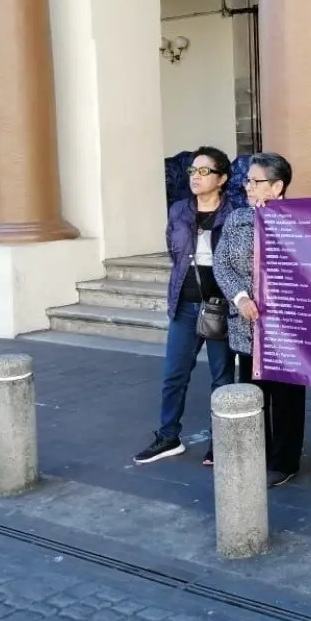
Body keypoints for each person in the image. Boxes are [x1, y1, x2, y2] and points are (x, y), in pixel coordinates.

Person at [135, 147, 237, 467]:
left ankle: (220, 440)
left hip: (220, 305)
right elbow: (175, 252)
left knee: (221, 378)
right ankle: (168, 436)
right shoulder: (179, 210)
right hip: (184, 303)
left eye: (204, 171)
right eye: (193, 171)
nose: (195, 176)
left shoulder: (235, 213)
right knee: (174, 375)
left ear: (221, 178)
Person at [213, 152, 308, 488]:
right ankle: (257, 454)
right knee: (254, 392)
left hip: (288, 329)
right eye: (247, 180)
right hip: (248, 324)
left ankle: (285, 461)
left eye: (256, 181)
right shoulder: (237, 218)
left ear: (278, 185)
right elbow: (221, 263)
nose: (248, 186)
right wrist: (240, 297)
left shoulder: (302, 220)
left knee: (287, 398)